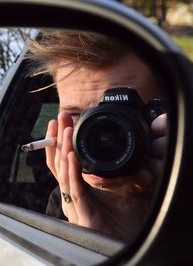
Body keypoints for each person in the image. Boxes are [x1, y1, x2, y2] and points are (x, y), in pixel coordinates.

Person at [28, 31, 167, 241]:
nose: (96, 131)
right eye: (76, 115)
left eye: (122, 112)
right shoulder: (63, 203)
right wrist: (92, 237)